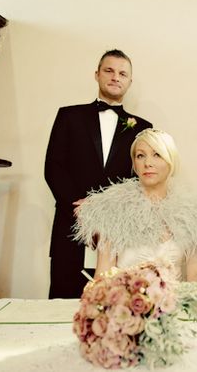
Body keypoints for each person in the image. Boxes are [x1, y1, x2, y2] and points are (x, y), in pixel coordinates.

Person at [45, 49, 152, 298]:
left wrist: (107, 209)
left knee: (114, 306)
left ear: (129, 81)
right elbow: (53, 167)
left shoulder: (144, 127)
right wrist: (79, 206)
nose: (116, 77)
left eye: (122, 73)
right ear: (97, 75)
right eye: (109, 70)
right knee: (63, 304)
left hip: (119, 232)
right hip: (71, 226)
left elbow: (142, 180)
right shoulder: (69, 116)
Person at [73, 129, 197, 298]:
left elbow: (196, 273)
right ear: (134, 163)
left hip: (173, 310)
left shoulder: (194, 214)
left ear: (171, 161)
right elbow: (103, 275)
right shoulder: (111, 210)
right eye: (140, 156)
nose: (148, 163)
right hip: (127, 310)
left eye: (157, 155)